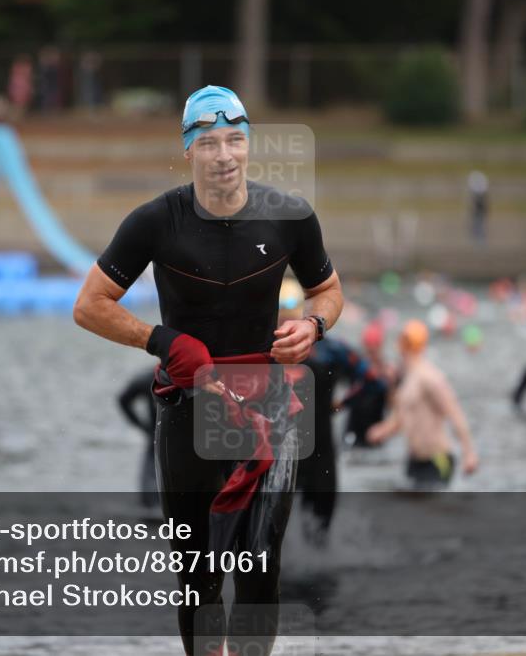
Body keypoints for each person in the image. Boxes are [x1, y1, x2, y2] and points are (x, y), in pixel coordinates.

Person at [73, 85, 343, 656]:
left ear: (249, 145)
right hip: (187, 410)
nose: (225, 155)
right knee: (197, 580)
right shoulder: (155, 221)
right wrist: (163, 340)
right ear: (189, 150)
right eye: (211, 142)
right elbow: (90, 304)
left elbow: (328, 292)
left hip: (267, 408)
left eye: (236, 141)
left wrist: (313, 327)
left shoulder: (289, 215)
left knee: (259, 572)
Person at [279, 280, 386, 547]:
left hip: (285, 459)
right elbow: (373, 381)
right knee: (316, 540)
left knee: (274, 543)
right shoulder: (328, 347)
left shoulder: (264, 347)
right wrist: (340, 404)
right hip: (316, 455)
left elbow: (373, 381)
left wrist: (340, 404)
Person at [368, 320, 478, 490]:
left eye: (403, 341)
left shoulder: (429, 376)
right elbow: (401, 417)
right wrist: (383, 430)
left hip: (437, 459)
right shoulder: (407, 377)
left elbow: (454, 412)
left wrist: (469, 453)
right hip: (414, 459)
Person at [117, 369, 158, 508]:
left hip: (176, 438)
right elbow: (123, 399)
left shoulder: (191, 378)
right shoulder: (149, 379)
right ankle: (150, 505)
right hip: (156, 437)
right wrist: (142, 426)